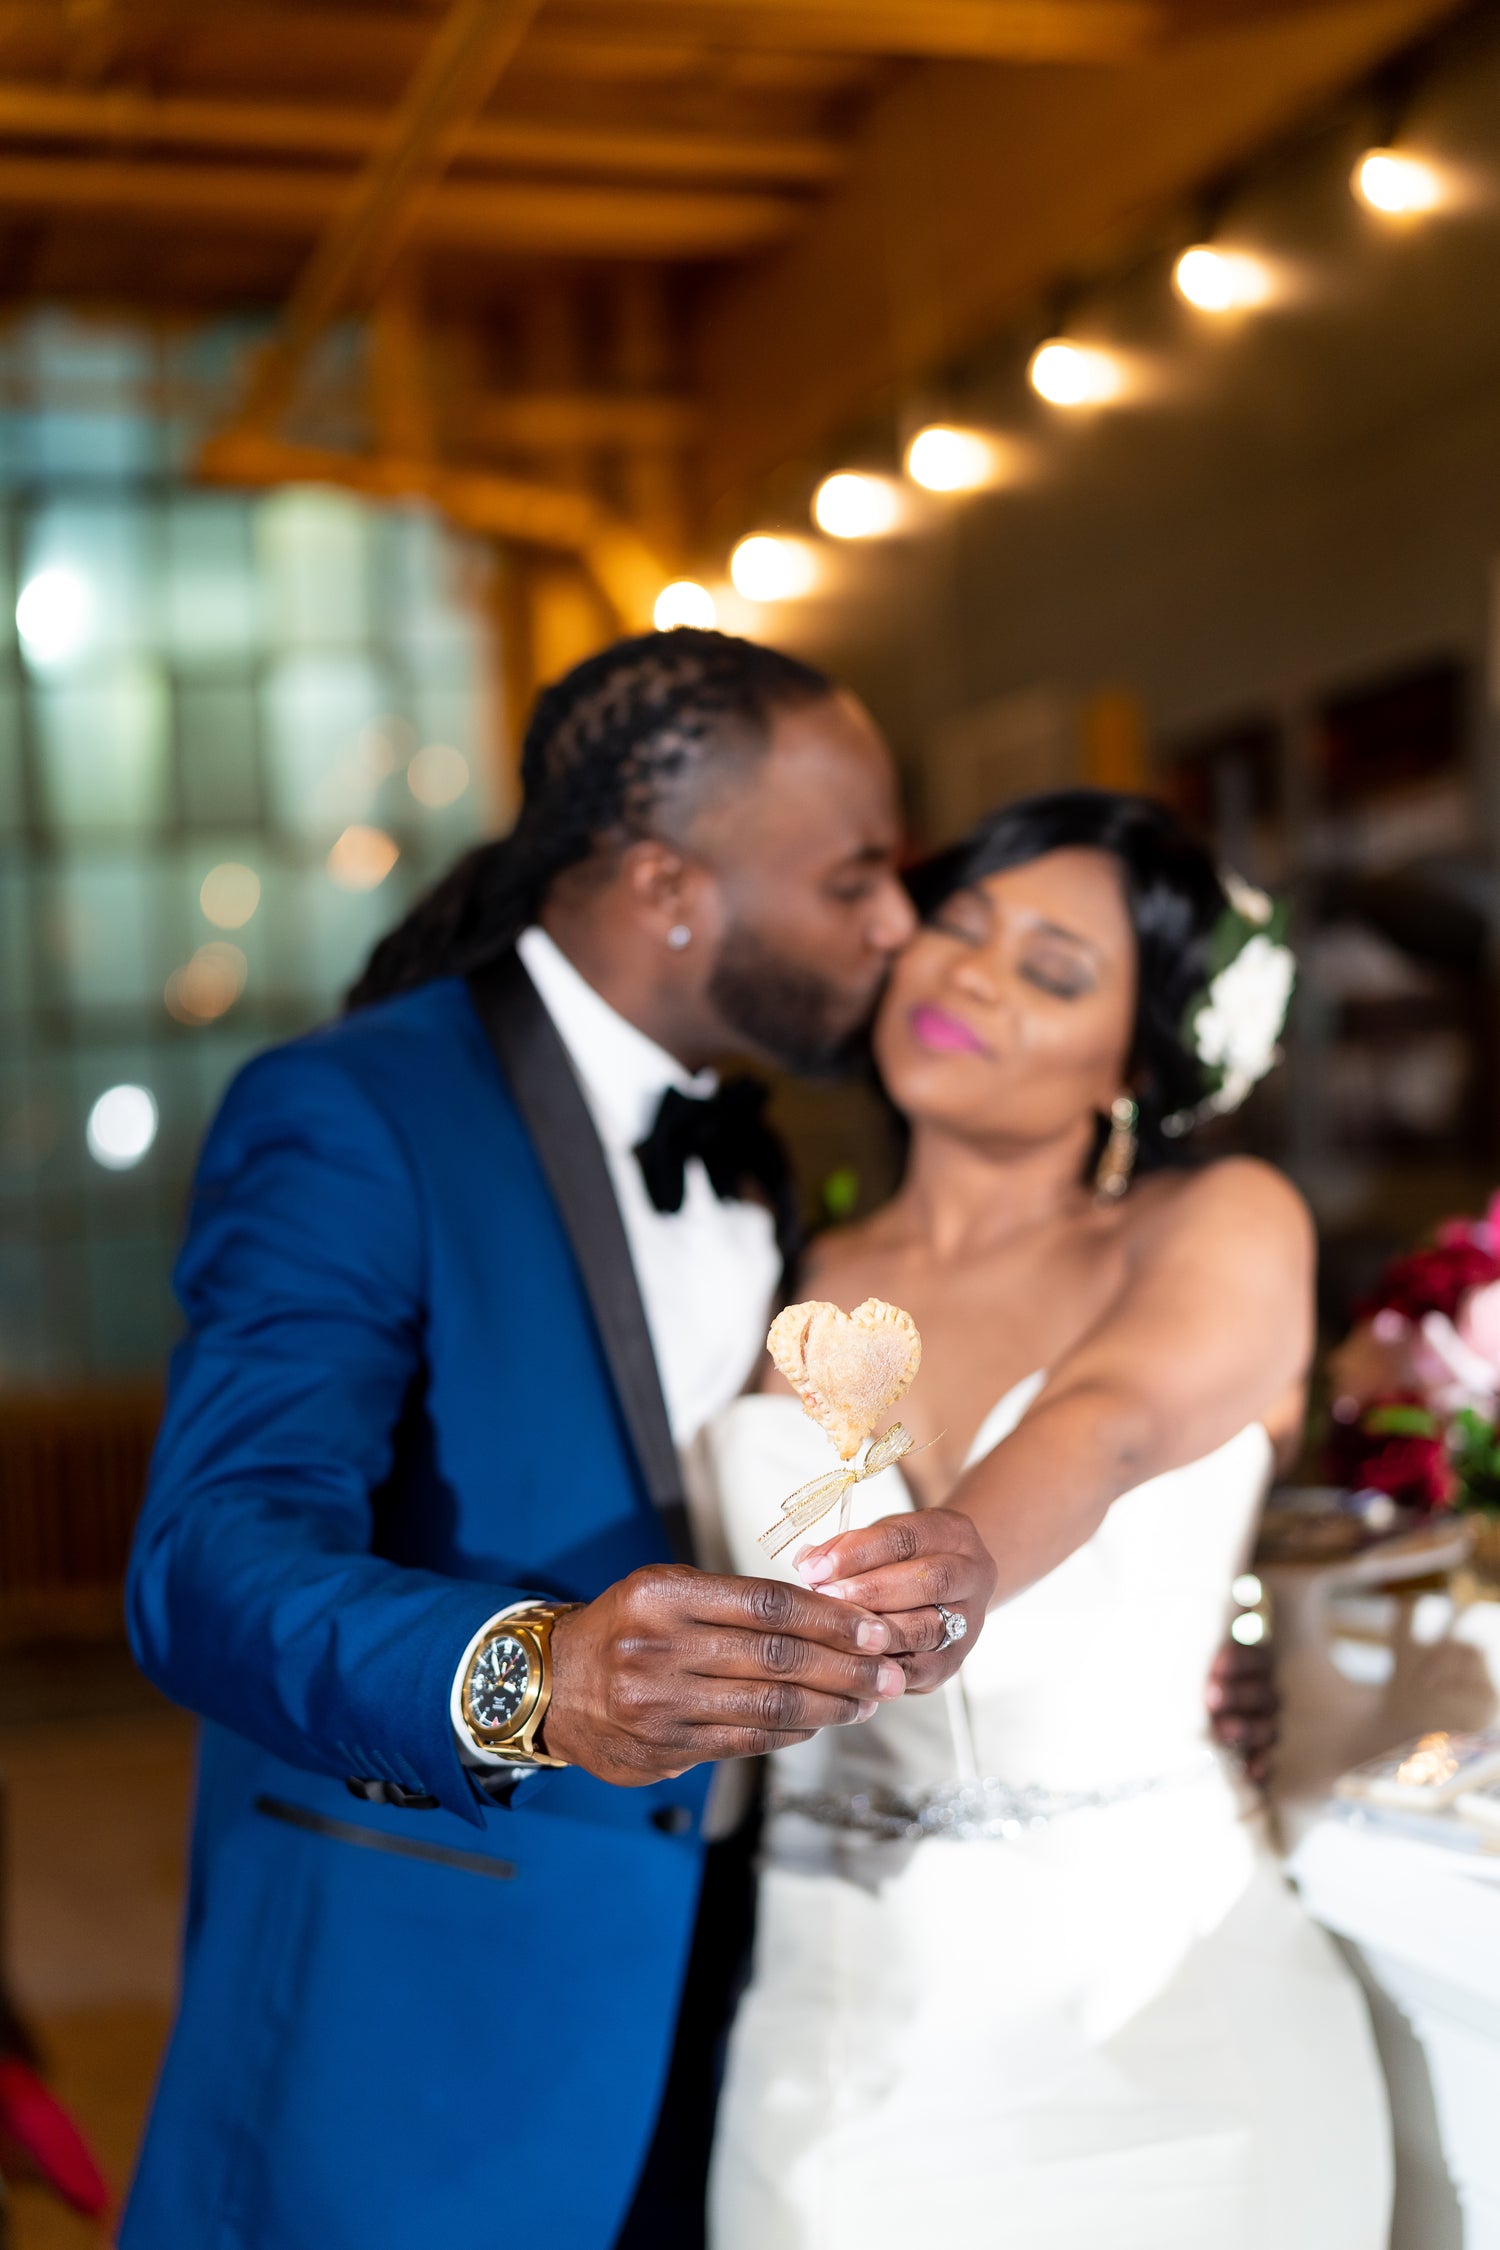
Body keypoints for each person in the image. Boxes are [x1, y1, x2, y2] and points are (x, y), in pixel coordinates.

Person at [121, 632, 1273, 2249]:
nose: (899, 930)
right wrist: (538, 1673)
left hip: (751, 2030)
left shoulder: (762, 1172)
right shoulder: (356, 1111)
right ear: (671, 887)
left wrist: (1214, 1627)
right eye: (861, 878)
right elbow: (205, 1560)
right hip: (422, 2049)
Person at [706, 791, 1391, 2250]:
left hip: (1171, 2035)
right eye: (958, 927)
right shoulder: (767, 1259)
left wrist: (972, 1555)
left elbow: (1114, 1418)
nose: (972, 976)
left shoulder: (1217, 1222)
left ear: (1136, 1061)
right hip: (831, 2039)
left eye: (1053, 969)